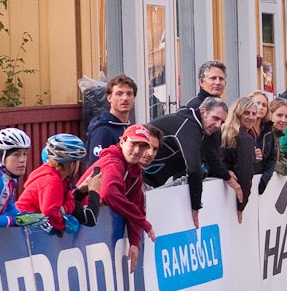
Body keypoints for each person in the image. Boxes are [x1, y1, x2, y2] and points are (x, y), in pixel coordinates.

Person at [143, 97, 243, 229]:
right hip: (140, 178)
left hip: (151, 181)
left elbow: (209, 157)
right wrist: (196, 206)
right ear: (203, 112)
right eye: (215, 118)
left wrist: (225, 175)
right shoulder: (189, 126)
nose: (218, 125)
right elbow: (194, 169)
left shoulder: (198, 126)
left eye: (222, 122)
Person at [78, 124, 155, 272]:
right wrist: (143, 222)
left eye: (142, 146)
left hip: (95, 228)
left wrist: (134, 242)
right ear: (122, 142)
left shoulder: (135, 171)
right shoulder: (112, 162)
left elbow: (136, 204)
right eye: (133, 144)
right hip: (80, 225)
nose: (137, 150)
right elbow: (109, 194)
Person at [16, 134, 102, 235]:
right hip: (24, 221)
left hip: (28, 221)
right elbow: (50, 212)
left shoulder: (61, 179)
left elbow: (70, 202)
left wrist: (65, 207)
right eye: (78, 162)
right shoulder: (52, 181)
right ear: (71, 164)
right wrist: (62, 225)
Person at [220, 97, 260, 223]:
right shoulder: (244, 139)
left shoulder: (222, 131)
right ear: (237, 113)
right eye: (246, 113)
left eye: (254, 113)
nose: (251, 117)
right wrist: (241, 205)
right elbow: (245, 173)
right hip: (230, 197)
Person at [86, 74, 137, 165]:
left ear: (134, 98)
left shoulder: (128, 128)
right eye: (119, 94)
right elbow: (97, 166)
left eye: (129, 94)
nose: (125, 98)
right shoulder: (103, 130)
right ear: (109, 98)